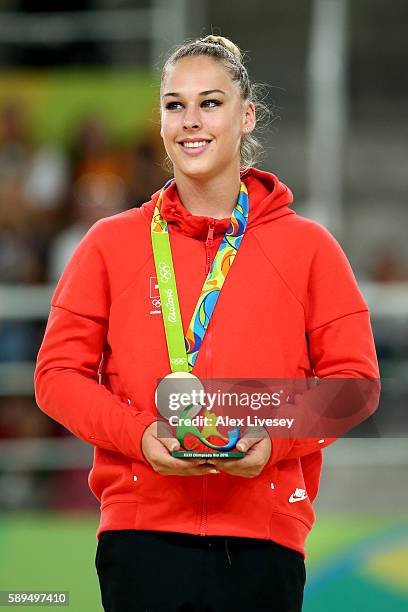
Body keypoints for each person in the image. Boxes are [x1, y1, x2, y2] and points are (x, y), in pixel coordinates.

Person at [34, 35, 379, 612]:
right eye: (175, 104)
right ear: (161, 121)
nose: (190, 121)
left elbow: (355, 385)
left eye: (210, 103)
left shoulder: (308, 247)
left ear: (245, 116)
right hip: (140, 532)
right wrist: (140, 436)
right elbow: (56, 375)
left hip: (263, 536)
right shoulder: (110, 244)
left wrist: (273, 442)